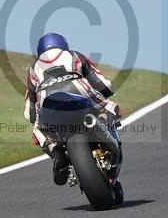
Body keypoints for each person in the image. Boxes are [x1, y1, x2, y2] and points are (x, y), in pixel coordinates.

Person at [24, 32, 122, 185]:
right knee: (111, 109)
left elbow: (30, 110)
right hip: (77, 89)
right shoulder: (74, 55)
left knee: (38, 129)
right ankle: (111, 142)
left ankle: (57, 153)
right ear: (63, 45)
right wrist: (107, 97)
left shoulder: (32, 69)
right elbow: (104, 85)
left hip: (47, 101)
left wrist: (35, 121)